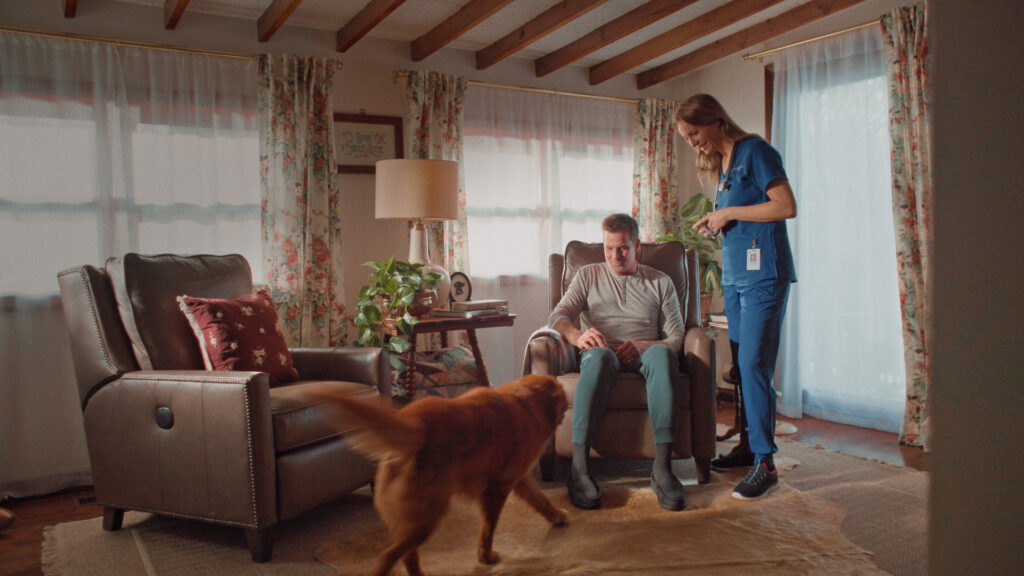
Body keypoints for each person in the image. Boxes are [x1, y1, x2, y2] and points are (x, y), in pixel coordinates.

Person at [674, 93, 797, 500]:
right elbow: (743, 215)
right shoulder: (724, 166)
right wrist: (716, 220)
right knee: (742, 370)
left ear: (713, 119)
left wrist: (729, 214)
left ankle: (766, 463)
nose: (694, 143)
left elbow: (784, 206)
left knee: (753, 365)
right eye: (687, 139)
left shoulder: (755, 150)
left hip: (765, 277)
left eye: (694, 133)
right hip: (737, 278)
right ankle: (747, 447)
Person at [548, 213, 688, 511]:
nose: (615, 255)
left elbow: (676, 337)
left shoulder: (660, 282)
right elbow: (557, 317)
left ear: (636, 245)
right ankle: (580, 467)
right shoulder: (587, 275)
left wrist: (643, 345)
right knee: (597, 358)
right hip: (602, 351)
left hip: (646, 351)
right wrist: (577, 336)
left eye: (622, 248)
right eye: (609, 248)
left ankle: (662, 470)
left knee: (663, 355)